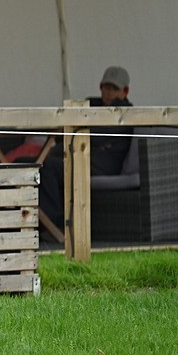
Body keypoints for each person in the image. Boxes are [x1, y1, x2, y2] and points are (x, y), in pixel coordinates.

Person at [38, 66, 134, 233]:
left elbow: (96, 135)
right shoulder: (92, 105)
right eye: (106, 87)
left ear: (125, 91)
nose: (109, 93)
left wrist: (85, 134)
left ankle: (53, 226)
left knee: (47, 167)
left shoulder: (124, 111)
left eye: (114, 89)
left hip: (102, 165)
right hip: (78, 156)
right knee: (29, 164)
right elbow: (75, 130)